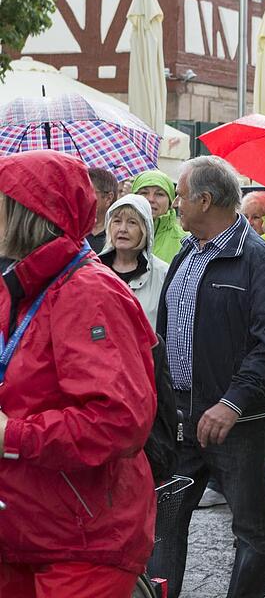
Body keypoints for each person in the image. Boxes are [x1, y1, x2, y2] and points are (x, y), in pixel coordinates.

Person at [0, 151, 157, 597]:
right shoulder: (19, 285)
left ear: (27, 214)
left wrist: (13, 435)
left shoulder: (89, 293)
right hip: (22, 526)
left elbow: (120, 419)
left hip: (83, 538)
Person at [148, 156, 265, 598]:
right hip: (180, 420)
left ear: (205, 200)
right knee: (164, 521)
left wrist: (231, 403)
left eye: (180, 196)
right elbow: (166, 333)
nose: (175, 204)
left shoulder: (259, 260)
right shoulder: (187, 252)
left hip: (237, 424)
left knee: (251, 530)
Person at [99, 193, 170, 326]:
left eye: (132, 222)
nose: (122, 229)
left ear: (145, 229)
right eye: (117, 221)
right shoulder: (96, 270)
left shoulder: (163, 274)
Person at [132, 169, 189, 263]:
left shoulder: (186, 242)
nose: (151, 199)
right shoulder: (120, 234)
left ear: (170, 201)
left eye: (159, 194)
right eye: (144, 193)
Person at [87, 167, 118, 253]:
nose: (82, 197)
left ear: (108, 198)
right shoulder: (73, 232)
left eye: (88, 192)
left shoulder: (117, 234)